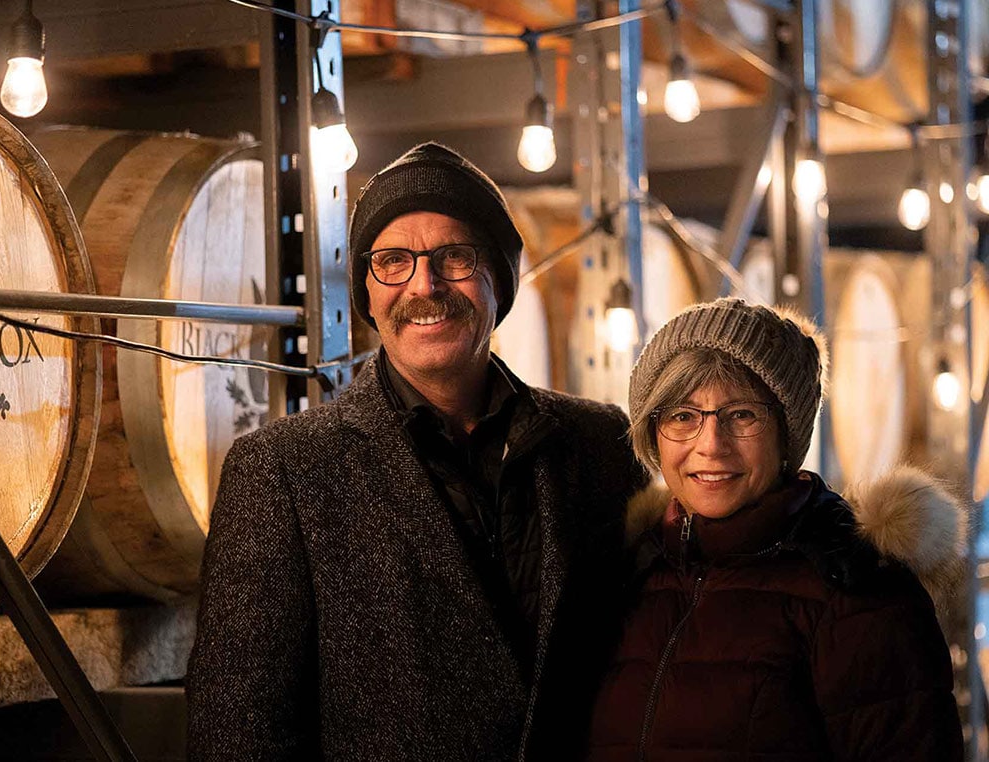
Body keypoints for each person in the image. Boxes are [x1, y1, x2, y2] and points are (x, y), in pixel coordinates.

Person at [186, 142, 646, 760]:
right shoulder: (284, 472)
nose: (424, 285)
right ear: (367, 294)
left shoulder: (597, 443)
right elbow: (237, 732)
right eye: (393, 262)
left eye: (453, 256)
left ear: (498, 278)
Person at [587, 297, 965, 760]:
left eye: (742, 414)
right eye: (682, 416)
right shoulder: (634, 572)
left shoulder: (856, 592)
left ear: (787, 435)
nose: (711, 445)